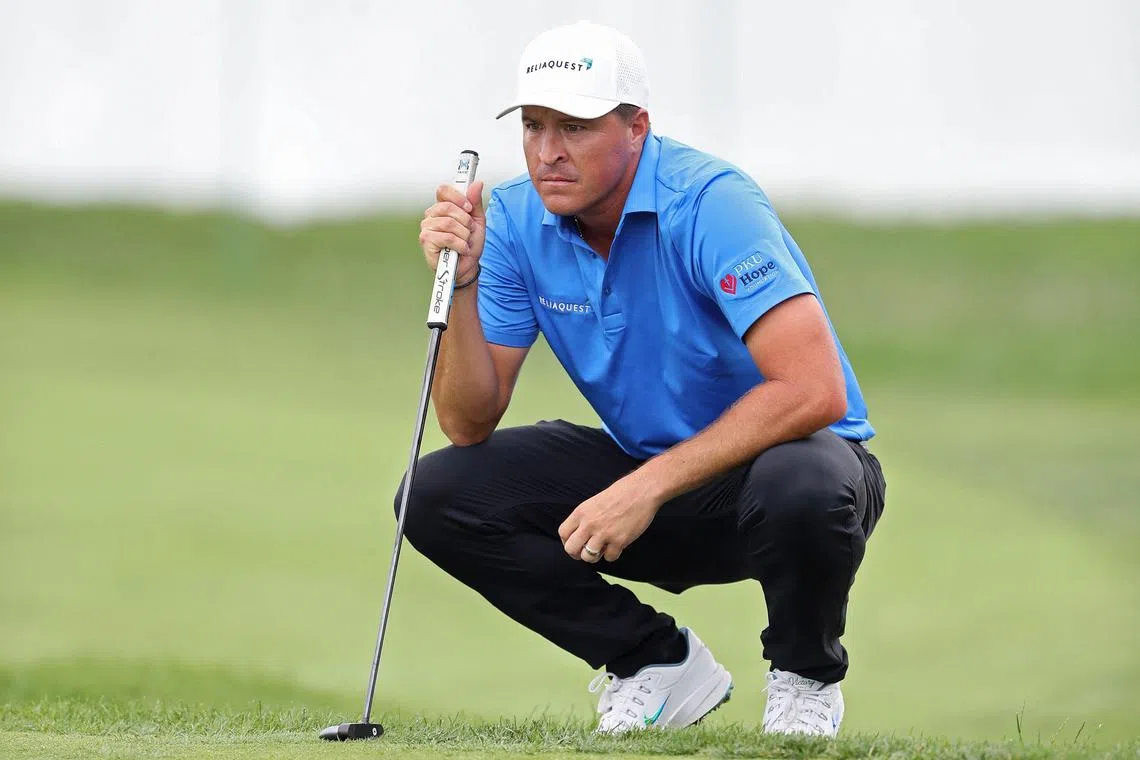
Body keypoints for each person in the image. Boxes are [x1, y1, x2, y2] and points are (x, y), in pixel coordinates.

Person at [405, 20, 886, 737]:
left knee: (802, 481)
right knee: (438, 493)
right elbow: (467, 422)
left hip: (792, 481)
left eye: (575, 127)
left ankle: (804, 679)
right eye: (533, 126)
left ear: (637, 128)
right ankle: (653, 662)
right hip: (655, 475)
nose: (548, 152)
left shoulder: (712, 202)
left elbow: (815, 390)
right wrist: (466, 284)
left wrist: (645, 487)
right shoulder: (510, 220)